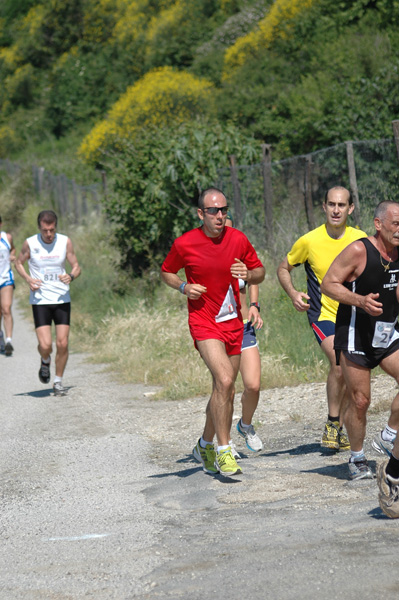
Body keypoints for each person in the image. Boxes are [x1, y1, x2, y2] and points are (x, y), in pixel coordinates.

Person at [161, 188, 265, 477]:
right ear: (200, 214)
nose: (220, 216)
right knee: (224, 378)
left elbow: (260, 272)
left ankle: (204, 444)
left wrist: (248, 273)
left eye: (223, 210)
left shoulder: (238, 238)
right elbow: (166, 271)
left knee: (225, 389)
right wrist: (183, 286)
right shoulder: (185, 244)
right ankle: (223, 450)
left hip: (233, 322)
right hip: (204, 321)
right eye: (213, 211)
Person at [277, 186, 367, 451]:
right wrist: (292, 293)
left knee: (354, 372)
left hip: (353, 315)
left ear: (350, 208)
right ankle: (332, 423)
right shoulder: (309, 240)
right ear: (324, 207)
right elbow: (283, 268)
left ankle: (342, 428)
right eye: (331, 204)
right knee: (339, 362)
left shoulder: (360, 238)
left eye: (342, 205)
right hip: (323, 314)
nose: (336, 210)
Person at [321, 200, 399, 480]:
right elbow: (328, 284)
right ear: (379, 225)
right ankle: (356, 457)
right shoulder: (358, 250)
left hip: (387, 333)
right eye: (396, 224)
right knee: (360, 400)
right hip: (355, 334)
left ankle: (389, 434)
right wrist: (360, 301)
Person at [15, 210, 81, 396]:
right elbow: (19, 263)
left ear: (55, 227)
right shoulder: (30, 243)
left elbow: (76, 265)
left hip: (61, 298)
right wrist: (28, 279)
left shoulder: (64, 241)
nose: (49, 234)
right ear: (39, 228)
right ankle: (45, 360)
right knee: (46, 345)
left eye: (51, 230)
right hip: (40, 300)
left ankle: (58, 382)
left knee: (63, 343)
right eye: (45, 230)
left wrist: (71, 275)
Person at [225, 213, 263, 457]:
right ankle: (223, 442)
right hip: (218, 330)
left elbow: (254, 275)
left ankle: (245, 426)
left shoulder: (239, 251)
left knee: (253, 385)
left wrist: (254, 305)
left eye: (228, 228)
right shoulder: (204, 255)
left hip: (243, 326)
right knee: (225, 387)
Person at [0, 215, 16, 356]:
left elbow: (13, 249)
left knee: (6, 308)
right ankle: (0, 335)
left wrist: (12, 256)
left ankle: (9, 340)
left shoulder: (7, 237)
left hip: (6, 278)